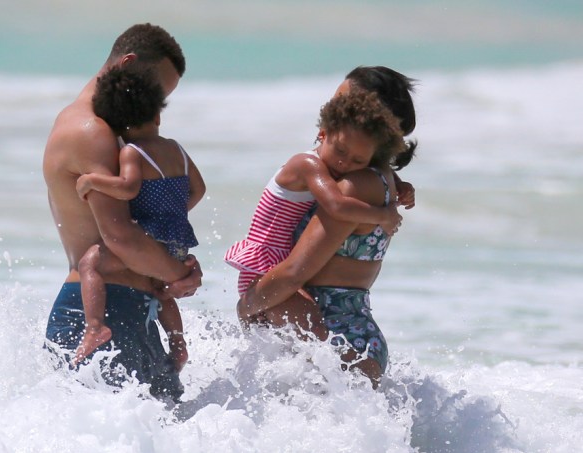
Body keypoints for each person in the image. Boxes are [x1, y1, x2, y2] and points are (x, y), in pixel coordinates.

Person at [43, 24, 201, 402]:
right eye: (157, 91)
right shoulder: (94, 133)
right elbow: (120, 236)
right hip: (100, 314)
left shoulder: (106, 131)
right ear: (127, 65)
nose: (155, 104)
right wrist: (180, 274)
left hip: (127, 308)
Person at [237, 66, 418, 388]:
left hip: (336, 343)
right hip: (360, 341)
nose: (331, 110)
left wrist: (247, 306)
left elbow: (293, 273)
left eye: (341, 101)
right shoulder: (377, 182)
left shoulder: (351, 188)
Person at [72, 62, 205, 373]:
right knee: (160, 290)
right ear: (157, 115)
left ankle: (94, 328)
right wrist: (174, 212)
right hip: (178, 240)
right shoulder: (177, 150)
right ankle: (179, 344)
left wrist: (92, 181)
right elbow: (198, 189)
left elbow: (128, 187)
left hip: (150, 238)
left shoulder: (133, 152)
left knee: (89, 264)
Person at [224, 89, 405, 297]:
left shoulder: (328, 169)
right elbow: (336, 205)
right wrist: (383, 215)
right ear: (322, 134)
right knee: (315, 326)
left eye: (358, 161)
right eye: (340, 150)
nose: (344, 163)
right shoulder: (307, 164)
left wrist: (399, 184)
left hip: (278, 265)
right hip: (263, 267)